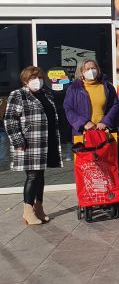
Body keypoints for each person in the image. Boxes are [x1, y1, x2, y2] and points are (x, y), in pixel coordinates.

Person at [4, 66, 62, 225]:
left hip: (46, 141)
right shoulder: (18, 95)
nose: (37, 81)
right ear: (25, 80)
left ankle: (39, 208)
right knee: (32, 176)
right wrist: (17, 140)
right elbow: (10, 119)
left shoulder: (46, 94)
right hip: (29, 142)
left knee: (40, 176)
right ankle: (27, 211)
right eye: (33, 78)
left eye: (39, 77)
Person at [64, 60, 119, 135]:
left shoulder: (107, 87)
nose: (91, 71)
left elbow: (115, 105)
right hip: (83, 132)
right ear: (81, 72)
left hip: (104, 131)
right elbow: (68, 109)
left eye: (93, 68)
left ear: (98, 70)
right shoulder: (74, 88)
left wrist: (105, 122)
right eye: (87, 69)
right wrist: (84, 123)